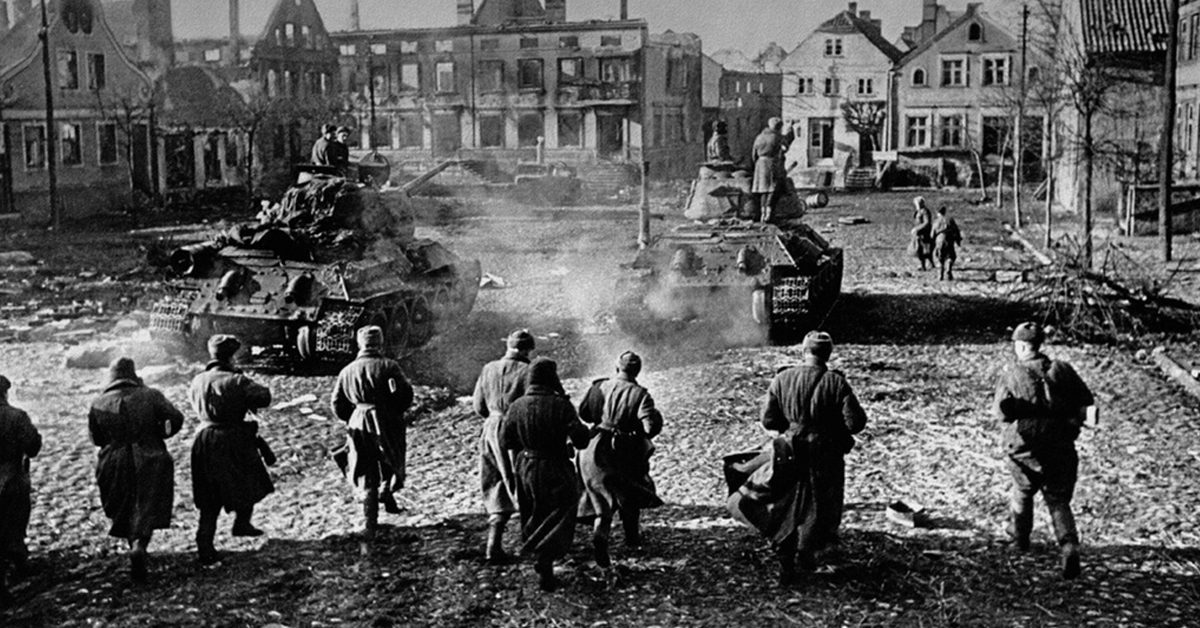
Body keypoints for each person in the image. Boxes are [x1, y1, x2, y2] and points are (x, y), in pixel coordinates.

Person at [760, 331, 868, 584]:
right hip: (825, 453)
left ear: (803, 351)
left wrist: (791, 427)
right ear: (828, 354)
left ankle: (785, 558)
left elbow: (769, 420)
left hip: (789, 450)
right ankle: (809, 553)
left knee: (789, 501)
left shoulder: (782, 378)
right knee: (820, 504)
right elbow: (855, 423)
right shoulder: (836, 383)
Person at [992, 322, 1095, 580]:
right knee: (1058, 499)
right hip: (1060, 444)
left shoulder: (1012, 373)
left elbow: (1001, 413)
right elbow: (1086, 401)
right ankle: (1069, 545)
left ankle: (1020, 539)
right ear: (1039, 345)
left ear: (1021, 346)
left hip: (1024, 447)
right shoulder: (1062, 369)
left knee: (1023, 490)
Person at [89, 358, 185, 582]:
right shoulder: (151, 395)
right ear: (133, 374)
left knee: (123, 504)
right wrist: (162, 433)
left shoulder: (98, 402)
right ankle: (140, 545)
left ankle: (133, 544)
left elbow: (96, 438)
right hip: (150, 456)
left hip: (113, 461)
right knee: (146, 504)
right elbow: (176, 418)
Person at [500, 358, 590, 592]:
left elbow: (506, 441)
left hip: (526, 467)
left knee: (533, 510)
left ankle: (540, 556)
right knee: (562, 509)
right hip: (555, 465)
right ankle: (545, 556)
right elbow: (581, 440)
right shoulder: (561, 405)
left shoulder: (516, 406)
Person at [189, 334, 275, 565]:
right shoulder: (237, 380)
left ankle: (205, 543)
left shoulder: (197, 380)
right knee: (248, 479)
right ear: (231, 356)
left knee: (209, 494)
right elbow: (264, 397)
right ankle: (241, 523)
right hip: (233, 439)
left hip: (204, 438)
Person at [576, 351, 664, 569]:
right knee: (630, 488)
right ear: (637, 371)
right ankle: (631, 537)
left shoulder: (598, 386)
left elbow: (584, 414)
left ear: (617, 367)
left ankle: (601, 533)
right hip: (623, 449)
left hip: (593, 446)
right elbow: (649, 428)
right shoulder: (641, 394)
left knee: (600, 494)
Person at [331, 325, 414, 555]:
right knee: (392, 458)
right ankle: (387, 491)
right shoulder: (389, 366)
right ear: (380, 343)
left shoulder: (347, 370)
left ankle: (369, 525)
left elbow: (337, 403)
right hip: (386, 418)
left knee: (364, 468)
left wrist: (353, 417)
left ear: (360, 344)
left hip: (358, 420)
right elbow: (405, 395)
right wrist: (395, 412)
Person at [472, 329, 536, 564]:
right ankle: (530, 542)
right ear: (528, 350)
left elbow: (478, 406)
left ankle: (493, 545)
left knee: (495, 482)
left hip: (490, 429)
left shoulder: (488, 368)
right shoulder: (529, 371)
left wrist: (494, 418)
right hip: (516, 429)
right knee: (522, 480)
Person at [0, 376, 40, 607]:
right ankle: (18, 563)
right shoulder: (17, 416)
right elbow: (33, 447)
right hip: (11, 477)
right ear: (4, 393)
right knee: (13, 523)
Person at [751, 117, 786, 222]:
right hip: (772, 163)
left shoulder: (759, 137)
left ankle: (763, 214)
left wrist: (758, 163)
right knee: (773, 189)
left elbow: (753, 155)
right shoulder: (777, 137)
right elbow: (783, 150)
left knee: (763, 190)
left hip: (760, 164)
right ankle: (769, 214)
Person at [931, 205, 963, 281]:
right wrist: (958, 241)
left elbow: (932, 234)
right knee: (950, 255)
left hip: (940, 239)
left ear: (937, 213)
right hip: (949, 239)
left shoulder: (936, 221)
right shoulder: (950, 220)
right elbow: (956, 231)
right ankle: (948, 269)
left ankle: (940, 274)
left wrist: (932, 242)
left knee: (939, 256)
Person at [910, 196, 934, 271]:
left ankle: (926, 265)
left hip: (924, 233)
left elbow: (927, 222)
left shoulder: (925, 211)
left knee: (924, 250)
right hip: (918, 234)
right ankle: (924, 265)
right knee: (919, 250)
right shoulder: (918, 211)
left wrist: (917, 229)